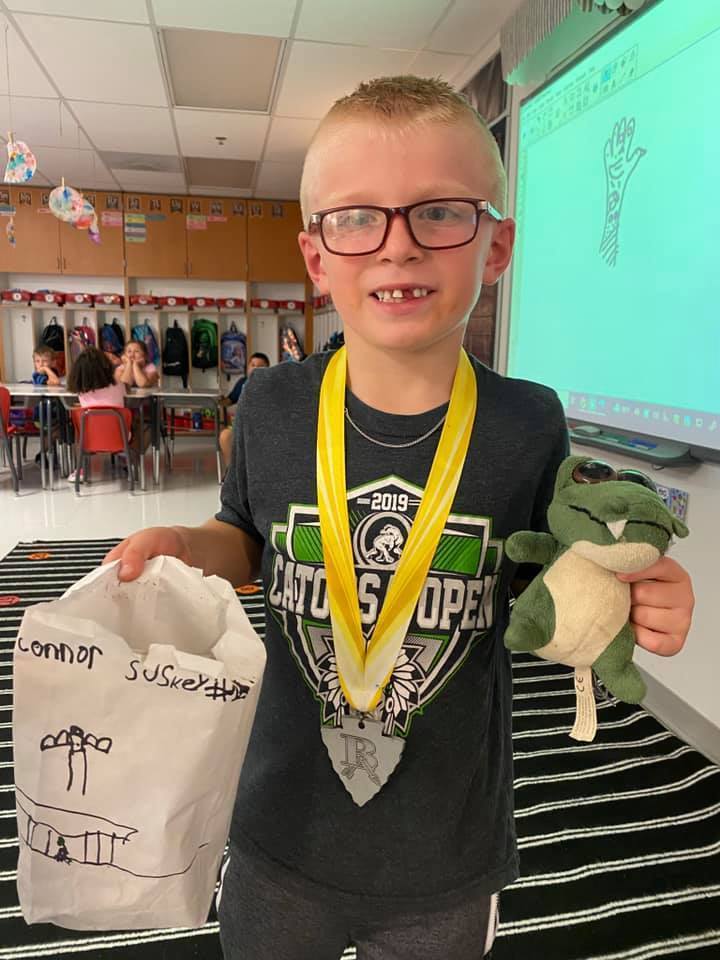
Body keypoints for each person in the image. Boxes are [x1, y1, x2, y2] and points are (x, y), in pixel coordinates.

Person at [103, 76, 695, 960]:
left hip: (445, 848)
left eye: (441, 213)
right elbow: (247, 537)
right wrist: (188, 546)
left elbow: (550, 587)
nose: (397, 247)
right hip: (280, 821)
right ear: (316, 257)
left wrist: (631, 589)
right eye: (357, 218)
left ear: (496, 248)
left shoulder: (527, 421)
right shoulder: (267, 403)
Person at [67, 347, 126, 483]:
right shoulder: (118, 383)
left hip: (89, 439)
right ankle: (130, 461)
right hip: (119, 436)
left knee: (80, 425)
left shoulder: (80, 390)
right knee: (140, 424)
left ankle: (80, 469)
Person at [219, 352, 270, 468]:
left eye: (260, 366)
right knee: (225, 436)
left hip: (262, 429)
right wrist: (220, 401)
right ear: (247, 368)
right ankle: (231, 473)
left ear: (268, 370)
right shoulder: (242, 383)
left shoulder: (270, 385)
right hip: (240, 427)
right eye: (253, 365)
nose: (255, 369)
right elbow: (230, 400)